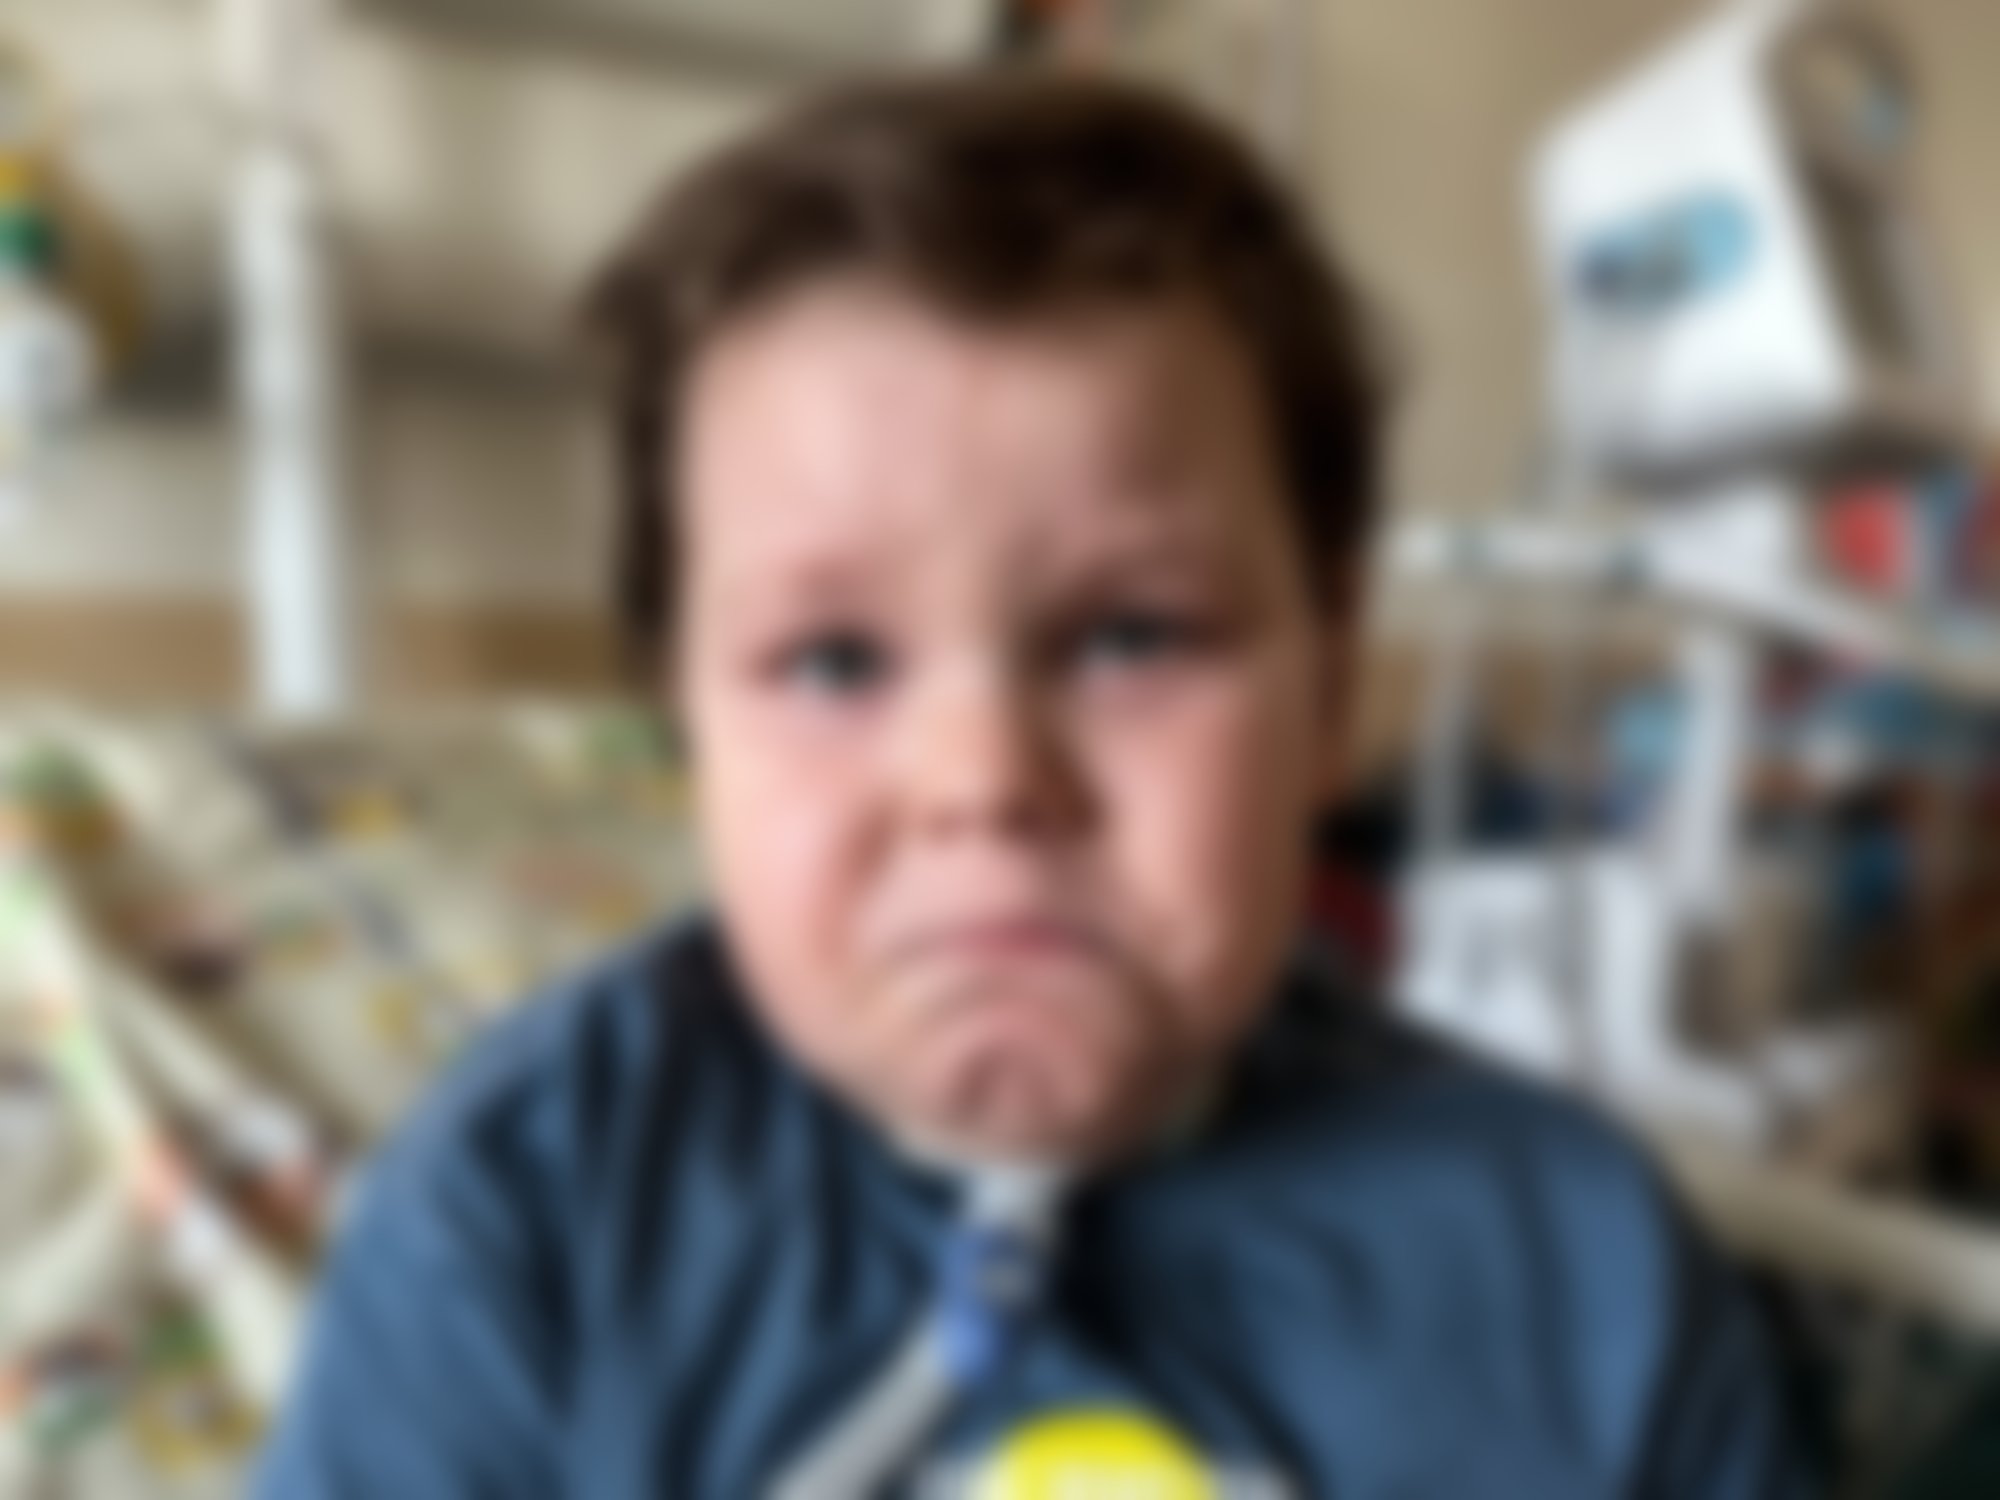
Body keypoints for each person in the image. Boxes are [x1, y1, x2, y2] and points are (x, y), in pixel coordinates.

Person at [254, 71, 1810, 1498]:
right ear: (689, 737)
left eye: (1133, 637)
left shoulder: (1578, 1276)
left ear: (1331, 690)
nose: (985, 781)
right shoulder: (529, 1225)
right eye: (833, 662)